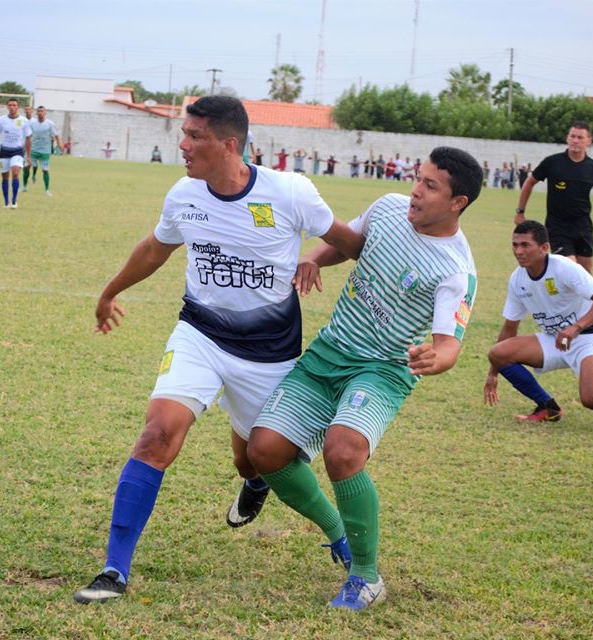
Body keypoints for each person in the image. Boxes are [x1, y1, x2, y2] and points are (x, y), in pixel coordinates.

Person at [73, 95, 365, 605]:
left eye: (195, 137)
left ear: (229, 145)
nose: (182, 145)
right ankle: (114, 569)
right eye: (183, 134)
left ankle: (332, 529)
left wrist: (316, 258)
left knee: (259, 459)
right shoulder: (184, 195)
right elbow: (155, 248)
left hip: (269, 354)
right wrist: (109, 291)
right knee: (157, 435)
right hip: (200, 336)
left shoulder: (290, 192)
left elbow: (350, 242)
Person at [247, 146, 483, 611]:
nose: (416, 191)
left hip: (382, 369)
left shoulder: (456, 269)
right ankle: (339, 533)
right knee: (264, 451)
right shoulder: (388, 207)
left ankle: (366, 577)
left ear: (459, 202)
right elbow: (352, 241)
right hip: (330, 351)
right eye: (419, 178)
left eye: (431, 186)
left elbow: (450, 339)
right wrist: (315, 256)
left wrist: (439, 357)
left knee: (343, 450)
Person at [484, 220, 593, 434]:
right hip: (555, 339)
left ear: (544, 248)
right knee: (498, 352)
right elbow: (509, 328)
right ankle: (548, 408)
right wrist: (494, 372)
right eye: (515, 245)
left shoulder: (563, 267)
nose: (518, 251)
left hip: (590, 334)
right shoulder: (517, 279)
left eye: (525, 245)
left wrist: (574, 328)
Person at [514, 121, 593, 274]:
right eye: (572, 136)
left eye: (580, 137)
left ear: (588, 141)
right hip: (557, 227)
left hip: (583, 227)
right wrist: (520, 211)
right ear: (567, 138)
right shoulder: (552, 162)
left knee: (586, 274)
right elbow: (529, 183)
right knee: (569, 268)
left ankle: (586, 299)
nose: (575, 140)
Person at [0, 98, 31, 209]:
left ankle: (14, 202)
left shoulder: (24, 121)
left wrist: (29, 156)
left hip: (17, 151)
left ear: (18, 107)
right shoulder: (2, 120)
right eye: (10, 105)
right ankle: (6, 202)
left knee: (16, 173)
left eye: (14, 105)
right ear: (7, 107)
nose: (12, 107)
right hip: (4, 151)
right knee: (5, 177)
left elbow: (28, 138)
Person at [23, 105, 61, 196]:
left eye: (42, 111)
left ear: (45, 113)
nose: (40, 113)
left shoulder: (50, 124)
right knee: (27, 167)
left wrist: (59, 145)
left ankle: (47, 190)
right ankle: (24, 186)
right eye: (39, 111)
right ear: (36, 113)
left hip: (45, 151)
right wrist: (25, 149)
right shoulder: (32, 124)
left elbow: (56, 135)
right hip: (33, 150)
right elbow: (28, 137)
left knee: (45, 170)